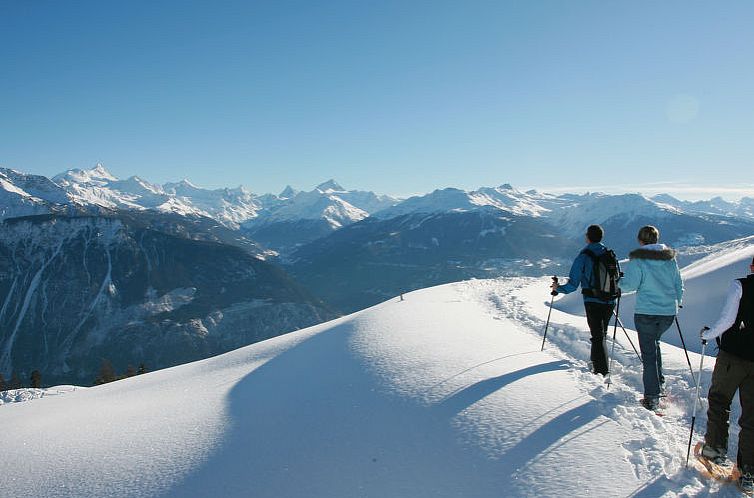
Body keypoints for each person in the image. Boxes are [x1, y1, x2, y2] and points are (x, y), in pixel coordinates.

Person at [699, 256, 754, 493]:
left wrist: (708, 334)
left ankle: (714, 449)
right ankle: (748, 471)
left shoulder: (740, 285)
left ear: (752, 267)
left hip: (733, 355)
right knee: (752, 416)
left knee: (720, 400)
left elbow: (727, 320)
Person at [618, 225, 683, 411]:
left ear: (640, 240)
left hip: (647, 312)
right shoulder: (670, 259)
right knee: (654, 345)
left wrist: (617, 282)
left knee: (648, 354)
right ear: (656, 239)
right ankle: (659, 385)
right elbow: (679, 283)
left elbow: (630, 285)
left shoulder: (639, 259)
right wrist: (677, 302)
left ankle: (652, 397)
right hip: (668, 313)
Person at [551, 224, 615, 376]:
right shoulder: (610, 254)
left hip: (593, 300)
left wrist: (558, 288)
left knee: (597, 335)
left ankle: (601, 370)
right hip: (610, 300)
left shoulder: (584, 256)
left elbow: (573, 284)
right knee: (602, 334)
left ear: (587, 237)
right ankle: (597, 362)